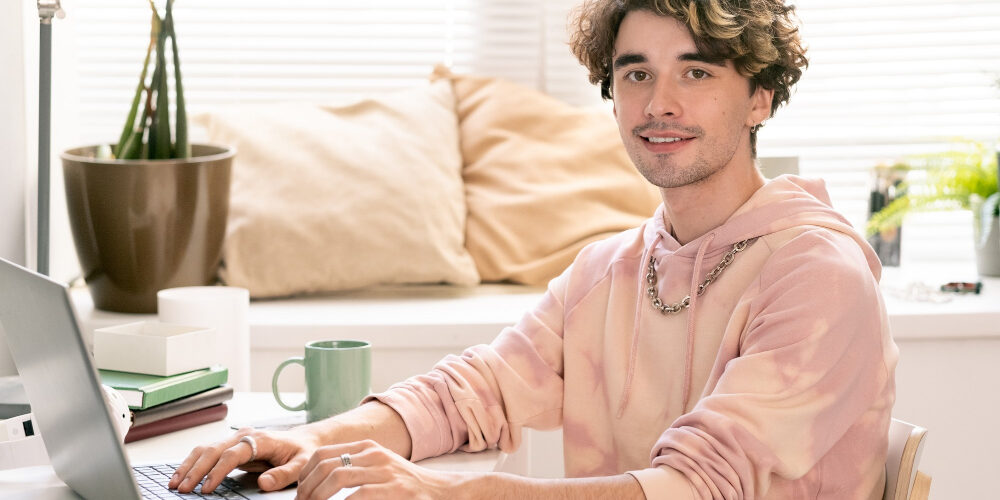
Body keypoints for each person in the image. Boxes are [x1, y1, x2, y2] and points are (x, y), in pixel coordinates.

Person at [170, 1, 898, 498]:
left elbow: (696, 488)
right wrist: (313, 442)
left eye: (697, 72)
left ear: (761, 98)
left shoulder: (817, 275)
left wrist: (451, 491)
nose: (659, 102)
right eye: (636, 72)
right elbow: (473, 391)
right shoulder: (611, 269)